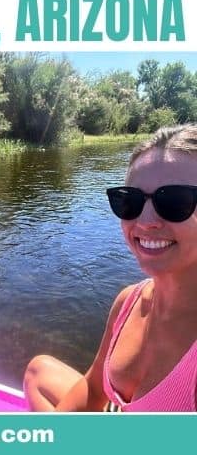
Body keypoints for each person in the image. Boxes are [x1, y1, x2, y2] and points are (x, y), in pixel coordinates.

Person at [24, 124, 197, 412]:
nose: (145, 220)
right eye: (131, 201)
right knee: (38, 372)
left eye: (175, 201)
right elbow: (94, 388)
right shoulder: (129, 302)